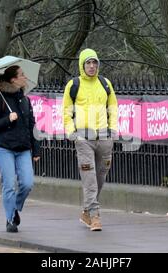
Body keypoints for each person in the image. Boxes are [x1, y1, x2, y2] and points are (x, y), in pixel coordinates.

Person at [62, 48, 118, 231]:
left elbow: (113, 107)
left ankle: (86, 211)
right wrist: (72, 132)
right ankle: (95, 216)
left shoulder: (105, 83)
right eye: (88, 63)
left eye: (95, 63)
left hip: (104, 138)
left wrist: (113, 130)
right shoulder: (73, 85)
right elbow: (66, 111)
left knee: (100, 177)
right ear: (82, 65)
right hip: (83, 139)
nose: (92, 66)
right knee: (89, 177)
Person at [0, 65, 40, 233]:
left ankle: (15, 207)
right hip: (4, 148)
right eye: (22, 75)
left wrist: (36, 150)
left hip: (23, 148)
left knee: (27, 183)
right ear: (13, 80)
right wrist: (8, 119)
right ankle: (10, 219)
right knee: (9, 184)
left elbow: (32, 126)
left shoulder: (25, 100)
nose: (25, 77)